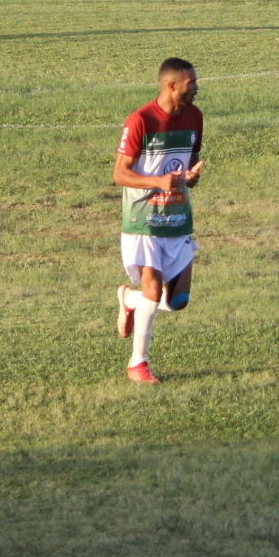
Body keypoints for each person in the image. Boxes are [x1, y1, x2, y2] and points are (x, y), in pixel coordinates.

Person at [111, 58, 204, 383]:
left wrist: (189, 178)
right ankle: (138, 363)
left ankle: (129, 300)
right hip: (144, 219)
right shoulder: (141, 120)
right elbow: (120, 173)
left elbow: (187, 163)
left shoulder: (195, 117)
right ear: (171, 85)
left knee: (177, 301)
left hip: (177, 216)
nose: (196, 87)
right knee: (152, 289)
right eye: (191, 82)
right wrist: (156, 183)